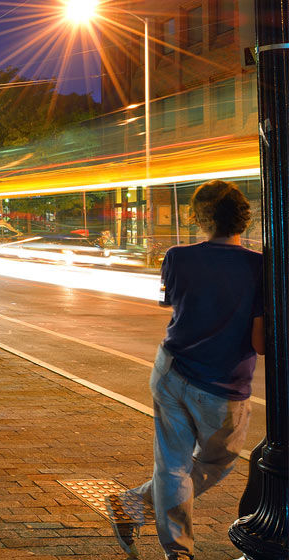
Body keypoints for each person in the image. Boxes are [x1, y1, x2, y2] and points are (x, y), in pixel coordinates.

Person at [107, 180, 263, 560]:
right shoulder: (260, 266)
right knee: (216, 461)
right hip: (223, 384)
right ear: (243, 217)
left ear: (199, 218)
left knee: (172, 466)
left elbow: (170, 302)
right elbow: (260, 342)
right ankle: (137, 508)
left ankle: (171, 544)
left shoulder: (177, 256)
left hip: (172, 370)